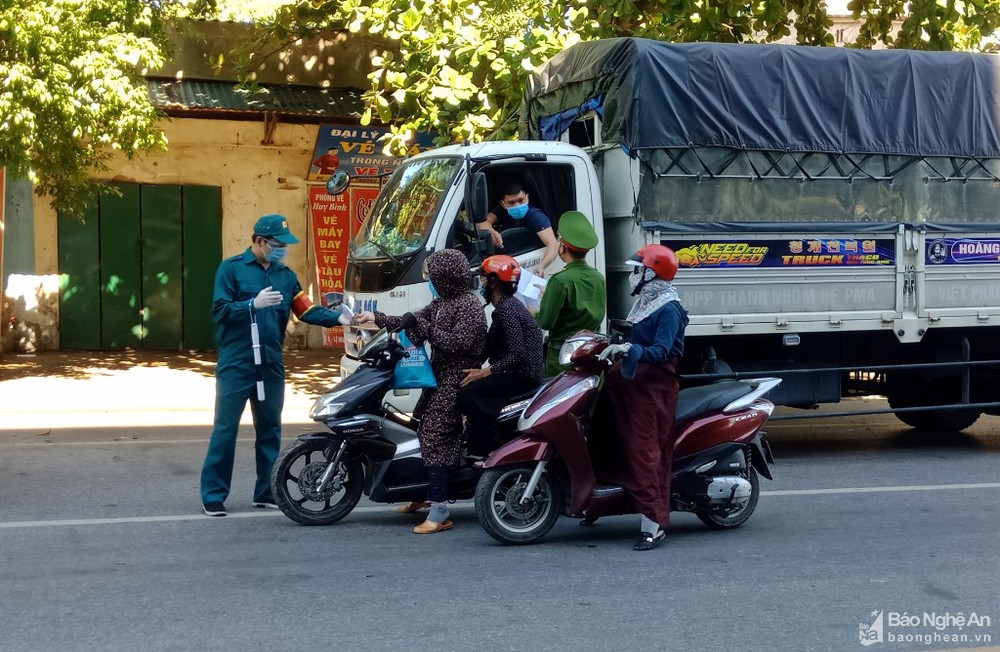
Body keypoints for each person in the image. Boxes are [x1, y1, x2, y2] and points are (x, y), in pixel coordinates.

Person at [201, 214, 344, 517]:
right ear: (260, 241)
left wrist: (339, 318)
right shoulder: (231, 269)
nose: (283, 250)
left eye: (284, 245)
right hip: (237, 362)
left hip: (270, 363)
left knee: (270, 429)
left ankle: (266, 491)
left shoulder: (285, 275)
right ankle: (213, 494)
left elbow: (305, 310)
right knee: (225, 429)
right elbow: (220, 311)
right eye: (278, 244)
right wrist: (251, 304)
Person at [355, 249, 487, 534]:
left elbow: (460, 343)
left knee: (435, 435)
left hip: (458, 379)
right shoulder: (441, 303)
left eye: (434, 277)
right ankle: (422, 493)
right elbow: (412, 319)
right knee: (415, 425)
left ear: (447, 277)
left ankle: (439, 510)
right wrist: (375, 317)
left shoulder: (469, 306)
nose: (431, 282)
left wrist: (427, 330)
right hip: (437, 377)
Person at [596, 244, 688, 551]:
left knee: (644, 452)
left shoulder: (669, 308)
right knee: (609, 437)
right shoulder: (646, 302)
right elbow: (635, 339)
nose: (633, 275)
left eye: (638, 270)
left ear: (652, 274)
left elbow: (660, 351)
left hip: (653, 390)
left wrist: (629, 349)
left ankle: (653, 524)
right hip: (631, 385)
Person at [459, 255, 544, 458]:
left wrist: (484, 372)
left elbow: (518, 355)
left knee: (470, 393)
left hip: (522, 375)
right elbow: (490, 346)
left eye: (484, 279)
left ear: (494, 282)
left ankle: (493, 451)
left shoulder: (507, 310)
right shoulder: (507, 306)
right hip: (515, 372)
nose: (482, 284)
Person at [534, 210, 607, 377]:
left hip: (562, 357)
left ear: (562, 247)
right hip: (589, 352)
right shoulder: (598, 277)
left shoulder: (560, 280)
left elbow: (545, 322)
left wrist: (533, 312)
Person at [476, 181, 559, 277]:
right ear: (503, 204)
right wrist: (491, 231)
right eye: (511, 203)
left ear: (527, 198)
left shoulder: (536, 217)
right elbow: (483, 222)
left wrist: (542, 265)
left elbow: (553, 244)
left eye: (521, 200)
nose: (517, 205)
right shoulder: (502, 211)